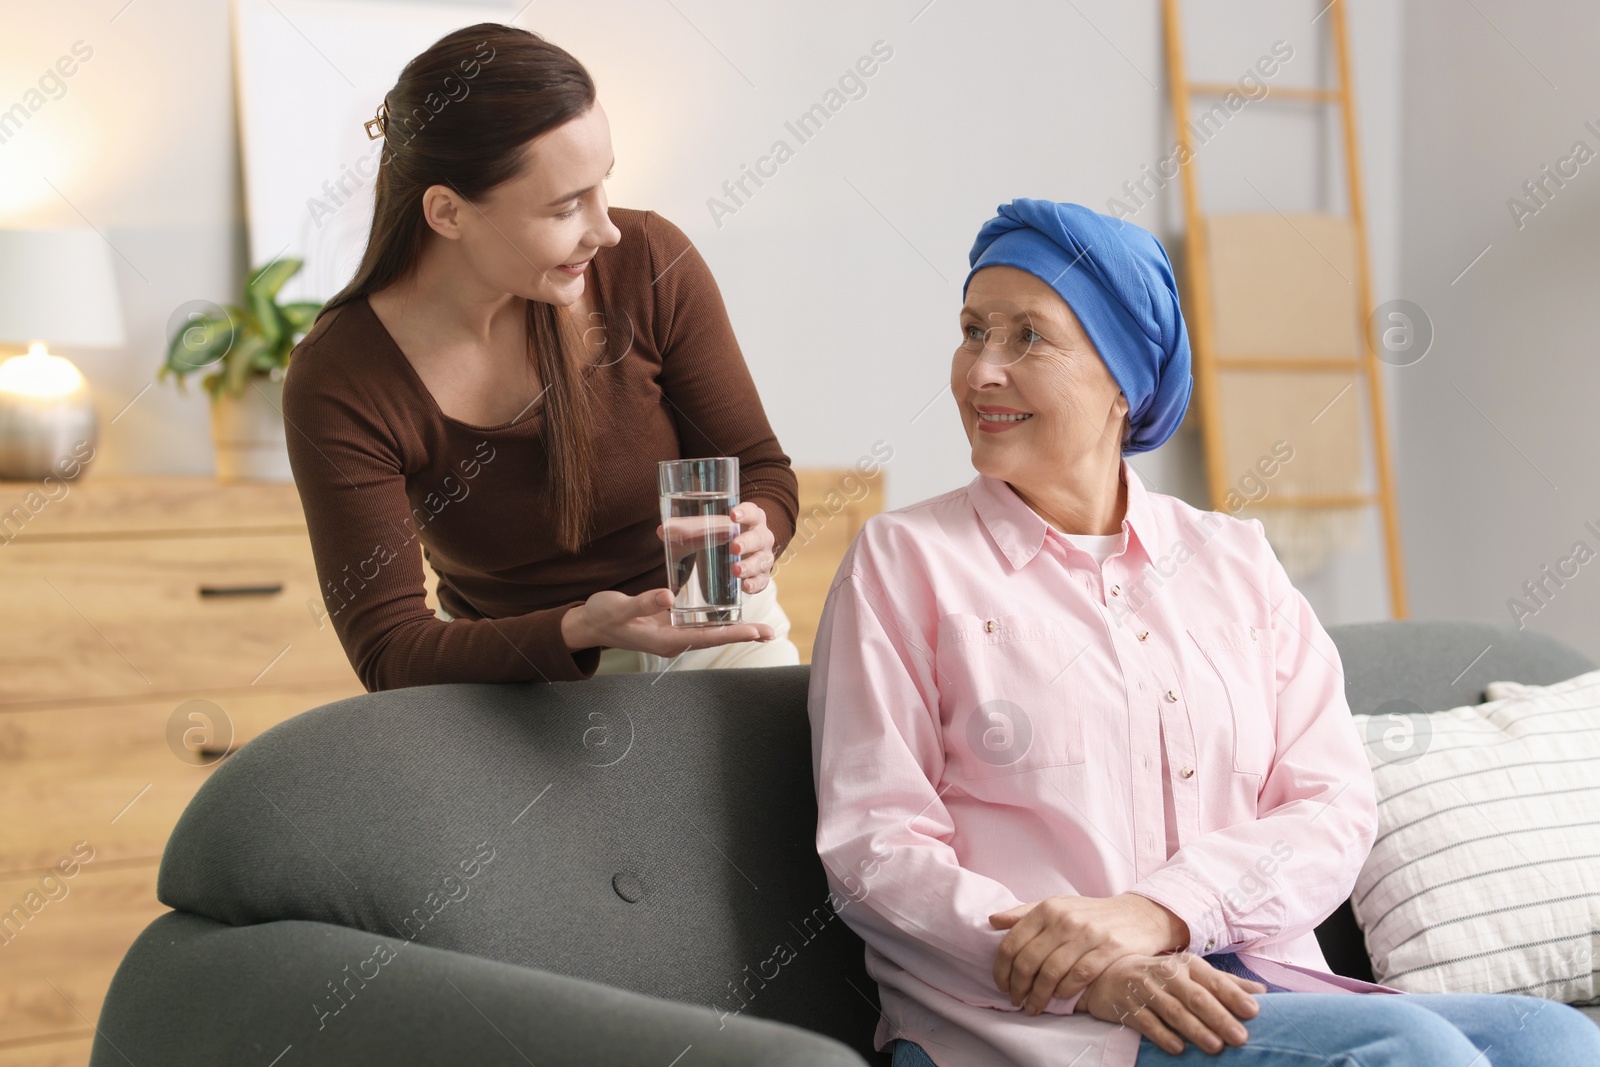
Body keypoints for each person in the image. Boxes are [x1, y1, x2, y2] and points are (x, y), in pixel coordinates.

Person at [806, 198, 1600, 1066]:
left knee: (1555, 1037)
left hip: (1251, 978)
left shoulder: (1233, 559)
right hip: (1039, 1019)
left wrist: (1163, 912)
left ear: (1124, 377)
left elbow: (1330, 804)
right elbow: (876, 845)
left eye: (1027, 337)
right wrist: (1092, 970)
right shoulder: (904, 560)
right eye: (971, 331)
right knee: (1408, 1048)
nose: (981, 370)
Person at [282, 23, 800, 691]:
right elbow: (390, 651)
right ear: (447, 212)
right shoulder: (341, 380)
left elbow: (762, 468)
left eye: (602, 185)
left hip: (716, 645)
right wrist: (581, 628)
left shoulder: (647, 261)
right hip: (511, 687)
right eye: (564, 208)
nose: (606, 228)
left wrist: (762, 527)